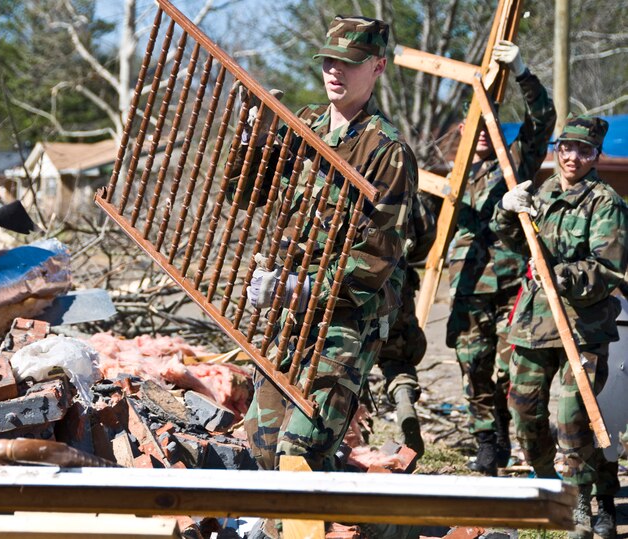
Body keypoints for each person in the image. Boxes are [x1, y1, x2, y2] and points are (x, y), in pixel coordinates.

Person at [230, 15, 417, 477]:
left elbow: (374, 258)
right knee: (263, 442)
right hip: (290, 316)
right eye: (329, 61)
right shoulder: (307, 124)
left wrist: (300, 286)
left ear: (378, 67)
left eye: (350, 63)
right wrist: (252, 136)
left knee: (302, 449)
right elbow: (244, 191)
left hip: (345, 321)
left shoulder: (386, 151)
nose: (336, 71)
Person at [493, 114, 628, 539]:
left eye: (584, 151)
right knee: (525, 413)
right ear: (557, 150)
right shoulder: (541, 193)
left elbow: (610, 269)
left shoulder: (605, 202)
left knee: (574, 418)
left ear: (596, 156)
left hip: (582, 324)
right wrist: (505, 210)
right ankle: (548, 484)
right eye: (566, 148)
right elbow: (512, 241)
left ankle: (582, 502)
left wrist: (561, 275)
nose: (572, 157)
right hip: (535, 323)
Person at [445, 40, 556, 475]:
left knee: (515, 372)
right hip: (468, 291)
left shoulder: (513, 163)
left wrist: (524, 74)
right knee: (473, 368)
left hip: (511, 286)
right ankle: (488, 443)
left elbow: (542, 121)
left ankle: (520, 438)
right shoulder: (453, 177)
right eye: (471, 131)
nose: (479, 139)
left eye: (486, 129)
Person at [374, 191, 436, 460]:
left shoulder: (350, 172)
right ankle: (404, 402)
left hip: (353, 283)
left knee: (347, 359)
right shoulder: (407, 188)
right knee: (397, 359)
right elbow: (427, 234)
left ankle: (346, 435)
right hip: (398, 285)